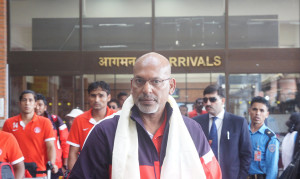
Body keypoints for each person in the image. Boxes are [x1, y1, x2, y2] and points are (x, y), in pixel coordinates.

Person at [69, 52, 222, 179]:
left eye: (156, 81)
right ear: (132, 86)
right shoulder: (106, 132)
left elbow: (212, 175)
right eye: (140, 81)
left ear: (171, 86)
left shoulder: (191, 131)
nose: (147, 89)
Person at [193, 84, 251, 179]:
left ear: (222, 101)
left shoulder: (238, 123)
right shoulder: (196, 123)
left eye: (212, 99)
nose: (207, 103)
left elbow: (246, 155)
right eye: (205, 100)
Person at [2, 90, 58, 177]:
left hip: (39, 172)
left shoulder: (45, 122)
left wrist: (52, 163)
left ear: (35, 104)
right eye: (24, 100)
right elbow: (3, 146)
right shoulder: (9, 123)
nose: (27, 103)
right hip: (15, 172)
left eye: (30, 100)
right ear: (19, 103)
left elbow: (50, 146)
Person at [67, 81, 117, 171]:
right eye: (93, 95)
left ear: (108, 97)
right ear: (88, 97)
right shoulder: (79, 120)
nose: (96, 100)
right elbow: (73, 152)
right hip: (87, 171)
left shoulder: (117, 118)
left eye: (101, 95)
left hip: (113, 170)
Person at [35, 93, 69, 178]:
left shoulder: (55, 120)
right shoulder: (28, 123)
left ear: (45, 107)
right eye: (35, 105)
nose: (37, 108)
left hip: (56, 166)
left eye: (40, 105)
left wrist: (65, 164)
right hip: (36, 165)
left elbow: (65, 142)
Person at [247, 96, 279, 179]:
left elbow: (272, 167)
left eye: (262, 110)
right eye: (254, 109)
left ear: (267, 114)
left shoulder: (270, 138)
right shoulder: (242, 132)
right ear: (249, 111)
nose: (257, 113)